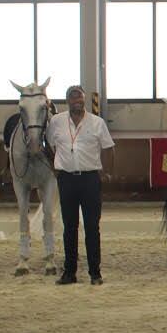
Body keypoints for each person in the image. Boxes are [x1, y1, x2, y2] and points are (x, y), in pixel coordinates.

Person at [47, 85, 115, 286]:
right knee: (70, 227)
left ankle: (95, 272)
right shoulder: (56, 122)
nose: (76, 101)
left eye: (80, 99)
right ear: (67, 101)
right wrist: (55, 166)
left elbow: (109, 148)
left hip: (90, 180)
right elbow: (49, 145)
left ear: (84, 100)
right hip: (66, 179)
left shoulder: (97, 123)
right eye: (72, 98)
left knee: (92, 227)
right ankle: (70, 273)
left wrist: (108, 173)